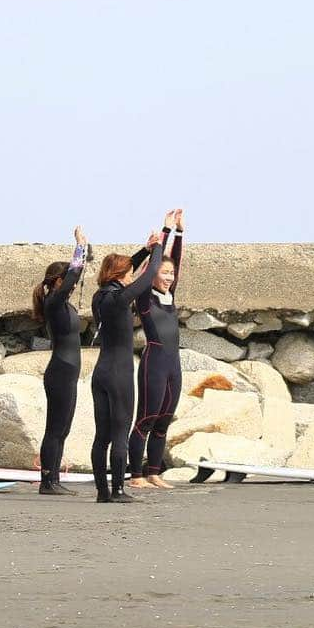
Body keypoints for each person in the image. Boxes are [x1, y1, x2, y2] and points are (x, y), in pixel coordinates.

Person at [91, 229, 163, 503]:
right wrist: (157, 247)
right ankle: (119, 490)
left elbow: (132, 271)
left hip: (100, 373)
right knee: (120, 433)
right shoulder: (121, 298)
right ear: (121, 276)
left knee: (102, 437)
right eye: (128, 272)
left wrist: (144, 249)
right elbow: (150, 274)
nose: (132, 275)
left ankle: (102, 492)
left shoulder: (100, 296)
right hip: (120, 373)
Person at [127, 210, 186, 490]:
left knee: (164, 420)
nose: (169, 277)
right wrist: (164, 231)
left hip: (173, 363)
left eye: (171, 274)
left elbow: (177, 262)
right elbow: (151, 267)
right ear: (153, 275)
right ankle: (136, 475)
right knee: (146, 419)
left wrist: (180, 233)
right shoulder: (145, 297)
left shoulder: (169, 295)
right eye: (164, 273)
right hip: (154, 362)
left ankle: (153, 472)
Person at [31, 225, 89, 495]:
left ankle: (54, 479)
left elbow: (79, 273)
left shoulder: (64, 304)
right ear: (56, 281)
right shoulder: (54, 302)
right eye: (66, 280)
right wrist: (79, 246)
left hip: (68, 372)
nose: (72, 284)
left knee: (63, 428)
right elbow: (75, 271)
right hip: (60, 372)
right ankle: (47, 481)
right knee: (54, 428)